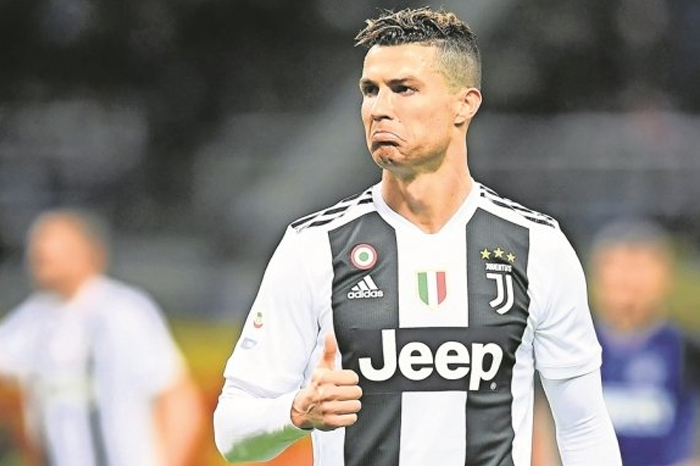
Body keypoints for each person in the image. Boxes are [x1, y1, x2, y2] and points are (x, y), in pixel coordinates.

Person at [214, 7, 622, 466]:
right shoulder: (314, 248)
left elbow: (584, 428)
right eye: (370, 90)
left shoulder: (536, 247)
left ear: (464, 104)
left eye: (403, 89)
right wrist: (295, 413)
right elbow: (231, 434)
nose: (379, 109)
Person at [0, 209, 204, 466]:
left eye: (51, 243)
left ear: (87, 252)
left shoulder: (124, 311)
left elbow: (178, 400)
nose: (38, 252)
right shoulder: (34, 318)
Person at [590, 220, 700, 466]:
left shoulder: (687, 351)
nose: (629, 281)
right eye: (618, 268)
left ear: (666, 276)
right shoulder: (566, 350)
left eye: (639, 268)